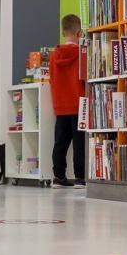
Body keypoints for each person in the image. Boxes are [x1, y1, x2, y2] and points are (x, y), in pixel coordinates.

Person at [49, 14, 87, 187]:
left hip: (60, 105)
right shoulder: (82, 54)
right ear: (80, 33)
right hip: (78, 104)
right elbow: (84, 78)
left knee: (60, 142)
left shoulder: (54, 56)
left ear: (63, 33)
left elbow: (52, 79)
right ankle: (80, 176)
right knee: (79, 143)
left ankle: (59, 176)